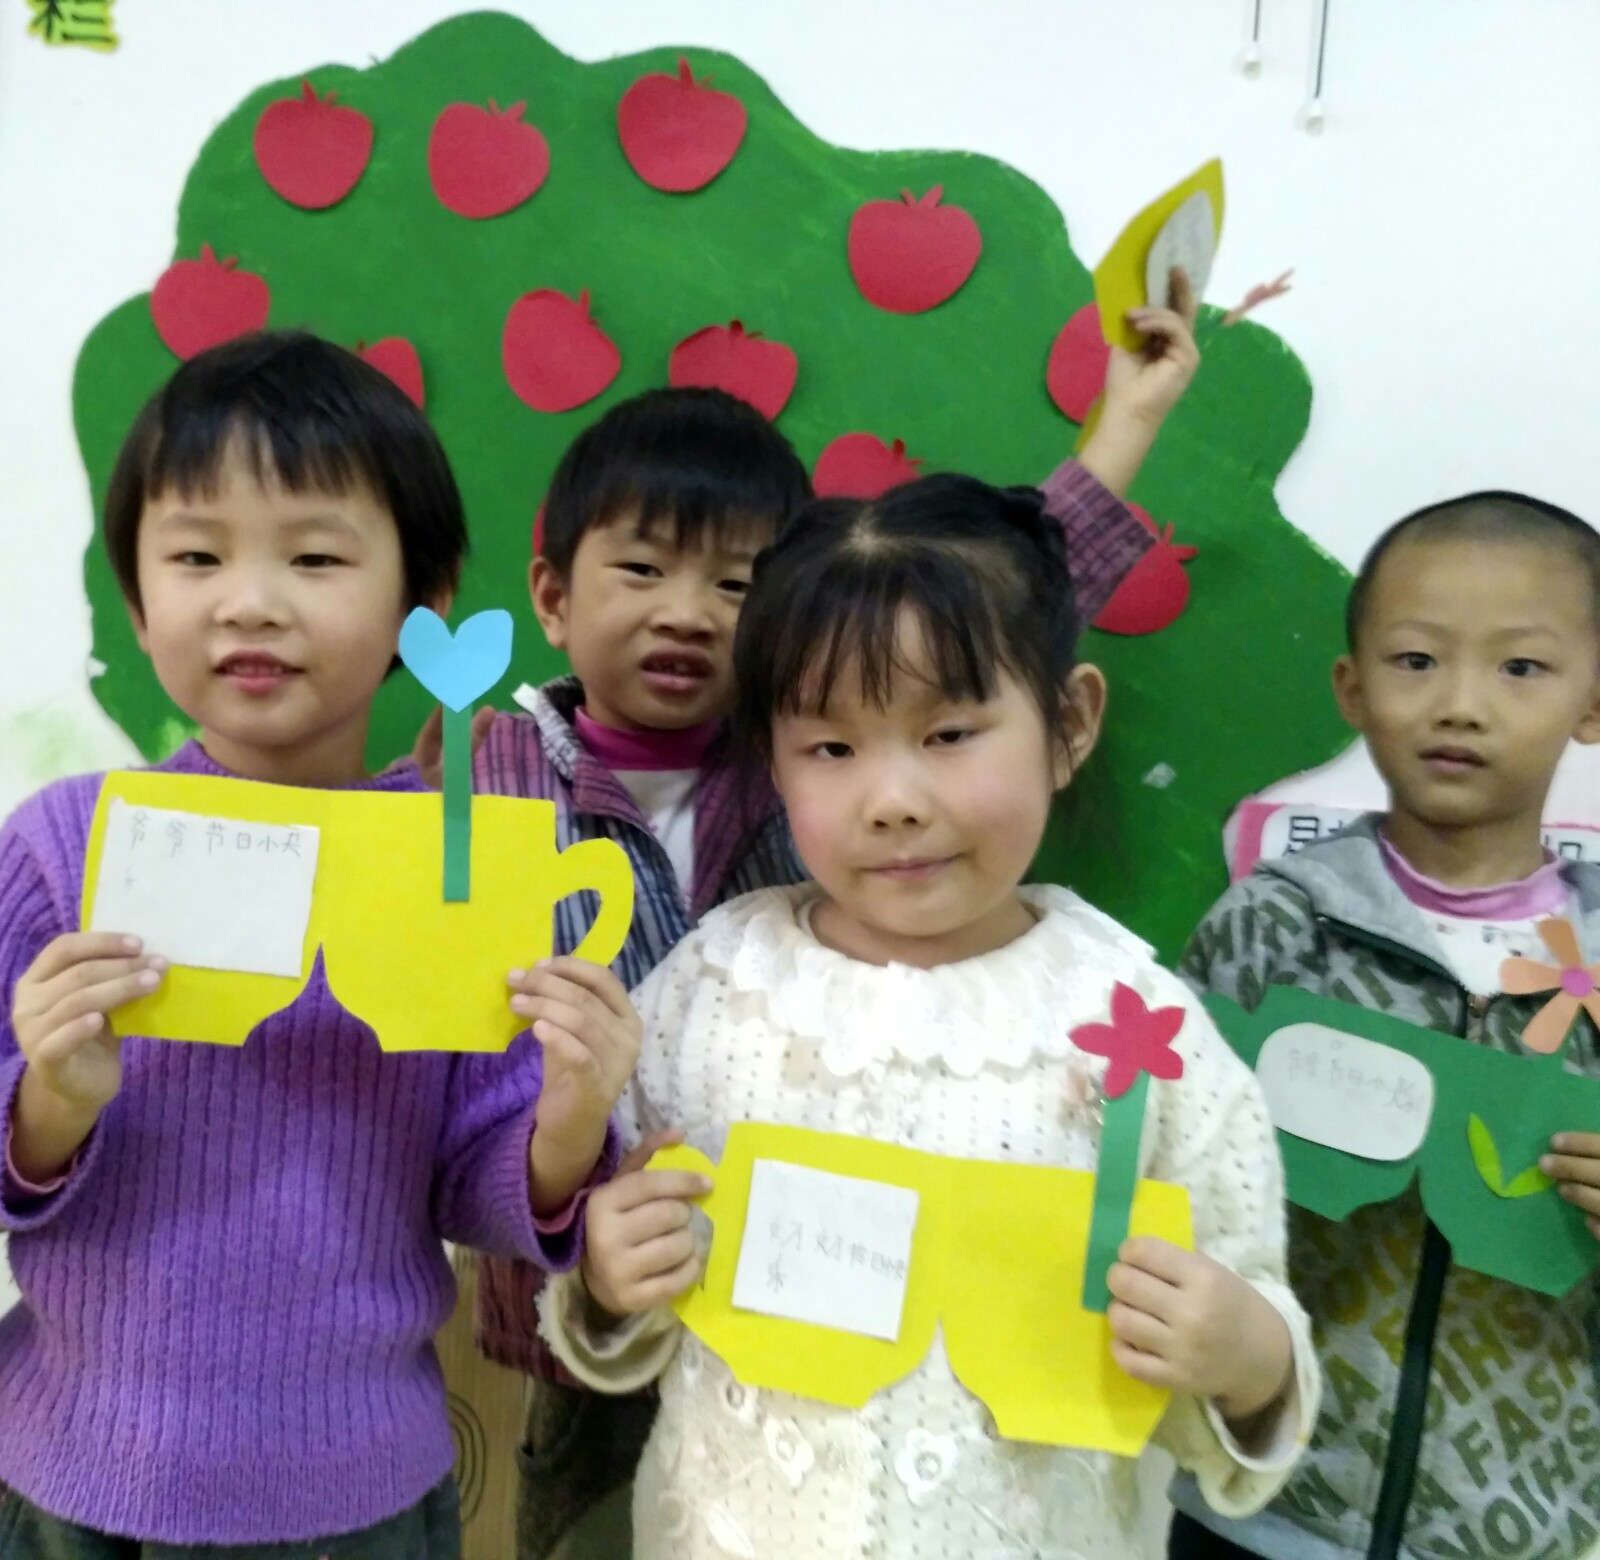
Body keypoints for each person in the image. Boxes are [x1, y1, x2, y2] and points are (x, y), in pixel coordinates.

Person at [464, 282, 1208, 1560]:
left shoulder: (810, 767)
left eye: (735, 583)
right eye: (640, 569)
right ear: (552, 595)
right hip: (592, 1269)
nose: (686, 611)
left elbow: (990, 606)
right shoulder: (485, 772)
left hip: (807, 1283)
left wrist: (1126, 419)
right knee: (593, 1523)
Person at [0, 331, 638, 1559]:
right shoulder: (65, 844)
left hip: (354, 1492)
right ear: (139, 605)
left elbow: (481, 1184)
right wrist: (47, 1103)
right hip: (60, 1470)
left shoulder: (462, 859)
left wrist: (569, 1120)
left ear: (424, 605)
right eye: (196, 556)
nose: (249, 601)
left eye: (315, 557)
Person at [541, 473, 1317, 1558]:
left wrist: (1247, 1355)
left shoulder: (1142, 1024)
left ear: (1068, 724)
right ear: (772, 759)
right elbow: (612, 1284)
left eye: (949, 733)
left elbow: (1255, 1325)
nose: (894, 800)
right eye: (831, 749)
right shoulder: (710, 988)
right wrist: (607, 1281)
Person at [1176, 492, 1600, 1559]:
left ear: (1593, 700)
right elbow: (1167, 1186)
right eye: (1415, 660)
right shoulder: (1272, 927)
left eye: (1520, 667)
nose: (1459, 704)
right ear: (1352, 689)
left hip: (1525, 1526)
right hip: (1255, 1510)